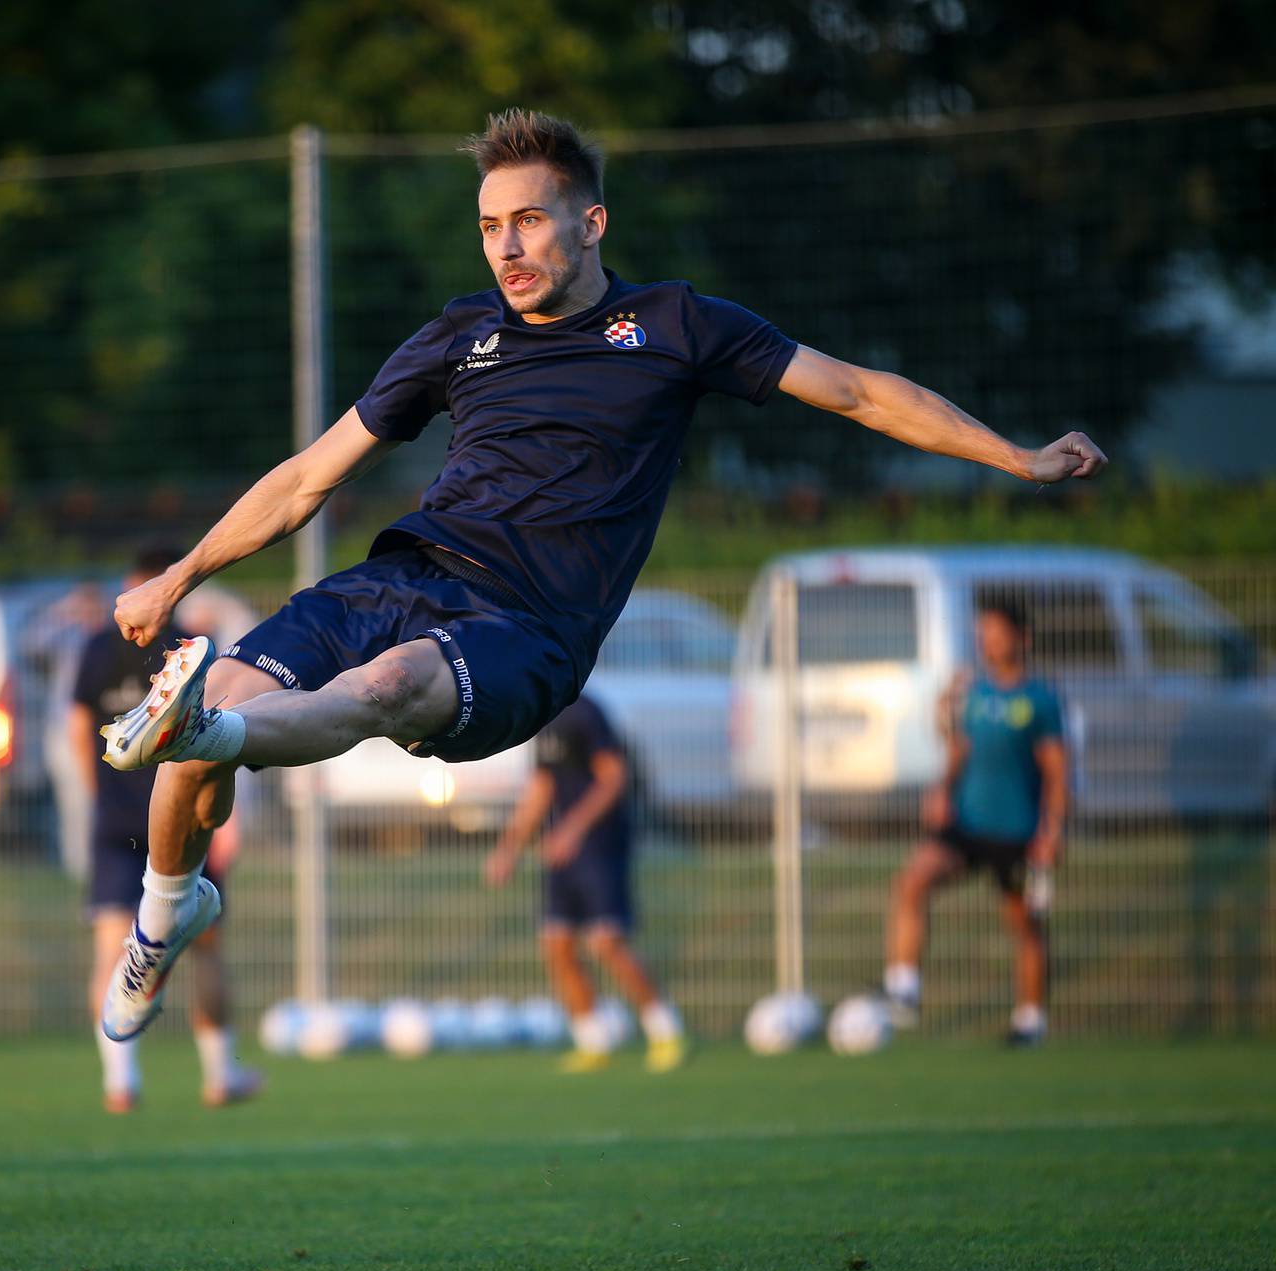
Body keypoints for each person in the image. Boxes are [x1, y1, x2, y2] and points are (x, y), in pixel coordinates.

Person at [93, 108, 1108, 1043]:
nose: (506, 245)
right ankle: (168, 910)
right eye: (490, 224)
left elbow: (856, 392)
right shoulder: (459, 335)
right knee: (198, 736)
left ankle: (204, 736)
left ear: (591, 224)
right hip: (398, 574)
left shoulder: (676, 325)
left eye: (530, 220)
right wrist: (177, 573)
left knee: (381, 688)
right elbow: (309, 476)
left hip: (526, 628)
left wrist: (1015, 456)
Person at [68, 551, 262, 1111]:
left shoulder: (127, 648)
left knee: (127, 944)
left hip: (132, 820)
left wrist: (98, 795)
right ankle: (206, 1075)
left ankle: (125, 1082)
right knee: (196, 945)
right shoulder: (190, 651)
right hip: (177, 819)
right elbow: (220, 741)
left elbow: (82, 729)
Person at [884, 598, 1068, 1046]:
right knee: (913, 880)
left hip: (1017, 831)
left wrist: (1052, 831)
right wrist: (942, 788)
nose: (988, 640)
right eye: (983, 632)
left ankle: (1030, 1021)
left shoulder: (1039, 700)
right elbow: (957, 749)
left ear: (1021, 638)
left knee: (1025, 926)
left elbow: (1057, 772)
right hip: (967, 824)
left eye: (996, 631)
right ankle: (903, 986)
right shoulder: (975, 694)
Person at [484, 694, 684, 1073]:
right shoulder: (539, 715)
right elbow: (542, 787)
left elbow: (614, 778)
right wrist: (509, 848)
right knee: (556, 943)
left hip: (599, 846)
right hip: (561, 849)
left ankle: (666, 1031)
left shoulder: (586, 711)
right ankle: (593, 1040)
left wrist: (573, 830)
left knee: (606, 942)